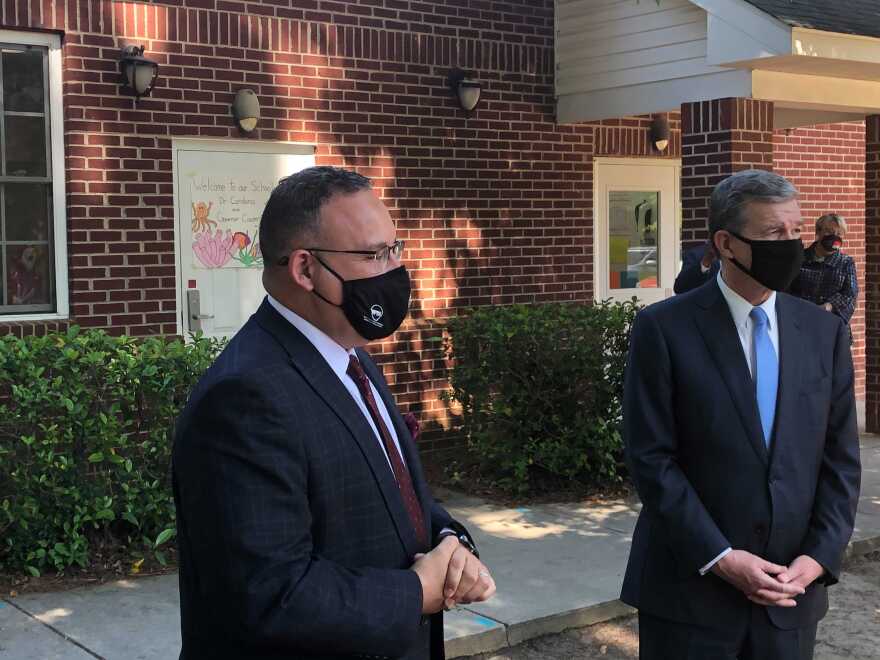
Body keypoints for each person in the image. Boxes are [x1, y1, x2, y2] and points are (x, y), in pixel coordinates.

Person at [172, 166, 496, 660]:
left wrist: (450, 544)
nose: (392, 270)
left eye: (395, 249)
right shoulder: (244, 398)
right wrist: (416, 594)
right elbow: (270, 595)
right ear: (304, 269)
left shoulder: (352, 356)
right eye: (372, 255)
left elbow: (396, 495)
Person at [621, 169, 861, 660]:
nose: (791, 245)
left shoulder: (823, 333)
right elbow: (651, 459)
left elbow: (840, 459)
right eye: (774, 233)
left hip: (789, 594)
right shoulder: (663, 329)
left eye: (796, 231)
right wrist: (722, 557)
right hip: (689, 595)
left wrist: (819, 556)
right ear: (726, 244)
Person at [789, 213, 858, 329]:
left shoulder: (846, 263)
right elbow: (787, 290)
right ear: (818, 233)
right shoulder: (800, 258)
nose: (834, 236)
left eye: (839, 234)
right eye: (829, 232)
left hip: (832, 326)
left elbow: (850, 294)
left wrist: (830, 305)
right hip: (800, 323)